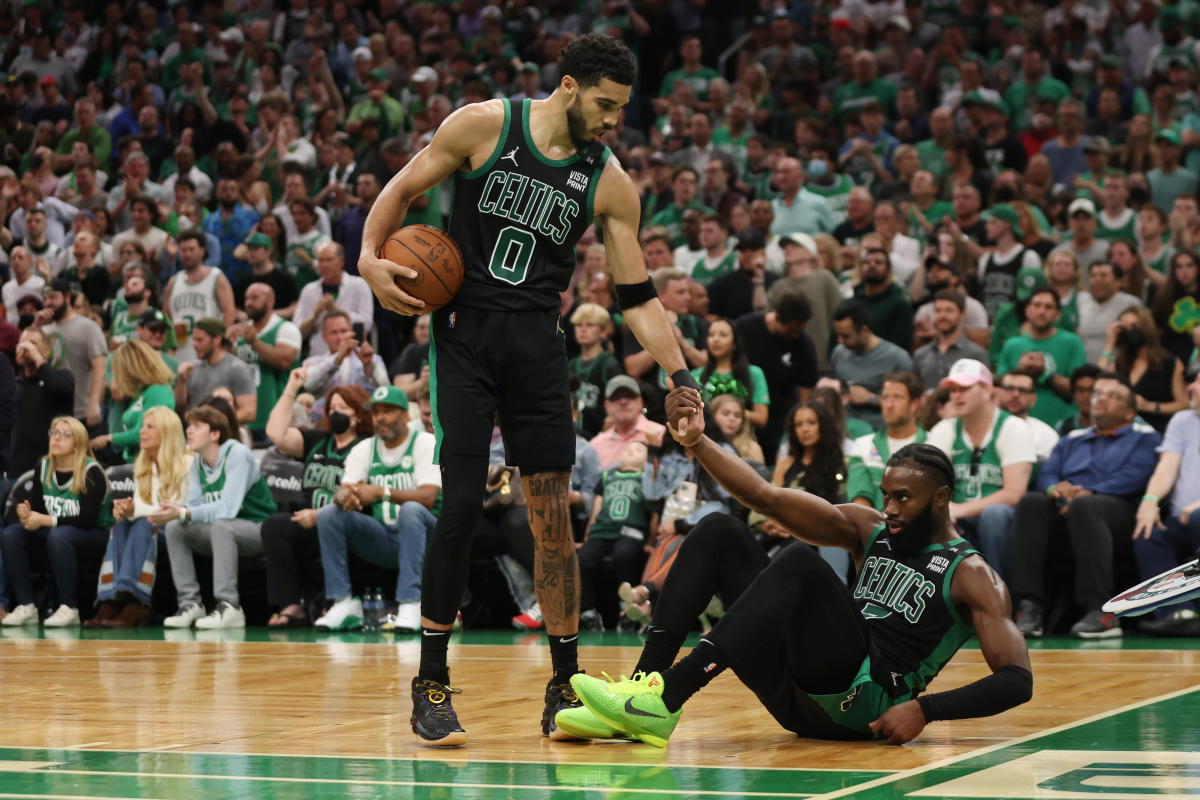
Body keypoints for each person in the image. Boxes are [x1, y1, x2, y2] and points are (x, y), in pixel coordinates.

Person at [356, 34, 699, 745]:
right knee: (458, 505)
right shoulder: (482, 124)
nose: (612, 122)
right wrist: (367, 257)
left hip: (539, 346)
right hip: (466, 337)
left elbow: (635, 295)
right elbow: (403, 188)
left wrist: (678, 371)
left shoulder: (607, 179)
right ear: (569, 86)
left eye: (621, 110)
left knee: (551, 519)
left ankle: (564, 682)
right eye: (605, 105)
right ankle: (431, 682)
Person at [559, 401, 1032, 748]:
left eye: (903, 498)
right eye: (886, 494)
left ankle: (669, 695)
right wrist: (697, 442)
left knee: (801, 561)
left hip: (866, 701)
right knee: (719, 529)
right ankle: (643, 695)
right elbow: (766, 497)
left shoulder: (971, 573)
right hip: (797, 692)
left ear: (943, 497)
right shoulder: (869, 530)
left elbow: (1017, 679)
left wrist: (927, 710)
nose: (888, 508)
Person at [1010, 373, 1161, 639]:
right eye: (1099, 394)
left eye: (1112, 396)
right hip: (1069, 508)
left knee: (1086, 507)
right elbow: (1048, 472)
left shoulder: (1145, 436)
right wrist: (1054, 489)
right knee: (1031, 502)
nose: (1100, 399)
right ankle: (1030, 606)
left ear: (1129, 413)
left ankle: (1101, 611)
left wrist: (1089, 492)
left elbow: (1137, 475)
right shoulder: (1072, 437)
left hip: (1118, 512)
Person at [313, 386, 441, 633]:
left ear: (405, 416)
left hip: (429, 540)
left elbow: (428, 497)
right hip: (386, 538)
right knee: (330, 514)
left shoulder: (425, 443)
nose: (380, 417)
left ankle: (411, 602)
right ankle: (343, 602)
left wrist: (381, 492)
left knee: (411, 510)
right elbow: (344, 490)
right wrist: (344, 497)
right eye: (376, 412)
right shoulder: (365, 449)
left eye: (388, 411)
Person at [262, 374, 372, 628]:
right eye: (331, 408)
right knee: (275, 526)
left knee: (332, 525)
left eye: (342, 408)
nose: (335, 413)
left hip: (344, 522)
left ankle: (335, 602)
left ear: (357, 414)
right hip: (307, 522)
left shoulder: (366, 446)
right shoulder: (317, 441)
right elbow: (275, 433)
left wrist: (320, 515)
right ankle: (290, 605)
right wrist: (291, 386)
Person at [161, 405, 278, 630]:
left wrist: (186, 511)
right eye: (189, 426)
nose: (189, 431)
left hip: (260, 529)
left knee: (221, 524)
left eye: (196, 426)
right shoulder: (197, 462)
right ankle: (190, 603)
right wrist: (175, 511)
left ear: (215, 434)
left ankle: (229, 605)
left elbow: (227, 509)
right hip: (224, 532)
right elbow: (193, 507)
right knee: (176, 527)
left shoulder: (238, 454)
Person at [927, 360, 1035, 582]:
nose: (956, 396)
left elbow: (1014, 494)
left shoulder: (1013, 428)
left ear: (987, 390)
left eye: (965, 389)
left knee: (993, 515)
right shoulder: (945, 429)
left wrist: (958, 509)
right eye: (953, 390)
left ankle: (1002, 596)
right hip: (959, 519)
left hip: (1002, 521)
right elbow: (930, 481)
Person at [1, 417, 112, 628]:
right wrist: (27, 515)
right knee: (12, 534)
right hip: (59, 535)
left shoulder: (92, 471)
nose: (57, 438)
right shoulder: (43, 467)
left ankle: (69, 606)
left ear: (77, 444)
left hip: (96, 536)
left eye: (65, 434)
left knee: (60, 535)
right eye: (54, 433)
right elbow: (39, 511)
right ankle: (27, 606)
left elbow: (87, 519)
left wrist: (44, 519)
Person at [90, 407, 191, 628]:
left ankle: (135, 601)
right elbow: (144, 508)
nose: (141, 432)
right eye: (143, 427)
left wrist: (134, 510)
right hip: (150, 526)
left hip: (178, 528)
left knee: (143, 523)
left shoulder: (186, 463)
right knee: (122, 523)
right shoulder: (144, 465)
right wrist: (127, 509)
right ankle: (110, 599)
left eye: (149, 427)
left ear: (166, 432)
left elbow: (172, 509)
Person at [1131, 364, 1200, 636]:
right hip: (1182, 518)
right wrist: (1149, 501)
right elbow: (1167, 466)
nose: (1190, 388)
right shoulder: (1182, 420)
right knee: (1148, 532)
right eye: (1189, 382)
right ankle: (1178, 612)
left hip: (1196, 516)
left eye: (1197, 382)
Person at [737, 284, 819, 463]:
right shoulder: (744, 328)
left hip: (778, 424)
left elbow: (806, 397)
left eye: (801, 330)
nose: (796, 335)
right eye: (792, 330)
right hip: (742, 415)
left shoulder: (804, 346)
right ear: (777, 317)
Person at [578, 441, 649, 629]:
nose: (632, 449)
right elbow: (597, 506)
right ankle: (587, 611)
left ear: (647, 460)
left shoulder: (646, 478)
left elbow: (652, 510)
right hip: (602, 530)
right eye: (628, 448)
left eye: (639, 449)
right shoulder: (607, 476)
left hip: (631, 530)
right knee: (584, 558)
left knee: (624, 554)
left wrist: (651, 539)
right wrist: (588, 535)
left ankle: (628, 608)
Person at [996, 288, 1088, 426]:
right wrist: (1019, 372)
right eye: (1037, 305)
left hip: (1060, 426)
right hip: (1016, 425)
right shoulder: (1012, 345)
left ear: (1057, 314)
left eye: (1048, 307)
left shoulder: (1072, 343)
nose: (1042, 311)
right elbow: (999, 390)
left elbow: (1080, 391)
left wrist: (1046, 374)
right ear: (1027, 311)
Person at [229, 283, 302, 439]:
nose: (248, 303)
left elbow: (283, 361)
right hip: (246, 419)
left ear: (271, 301)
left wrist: (254, 342)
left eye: (255, 298)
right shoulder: (239, 332)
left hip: (276, 417)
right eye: (246, 298)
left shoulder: (286, 328)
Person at [34, 278, 106, 431]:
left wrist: (94, 403)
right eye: (45, 299)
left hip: (81, 413)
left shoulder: (88, 327)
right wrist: (36, 326)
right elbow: (26, 359)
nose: (48, 303)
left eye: (53, 297)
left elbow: (100, 366)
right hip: (52, 414)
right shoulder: (44, 330)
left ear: (67, 297)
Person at [847, 371, 926, 511]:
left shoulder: (934, 446)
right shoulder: (863, 445)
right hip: (874, 528)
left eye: (897, 397)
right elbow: (860, 500)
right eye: (885, 397)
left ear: (914, 404)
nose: (889, 405)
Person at [830, 299, 913, 430]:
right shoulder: (838, 353)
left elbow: (910, 405)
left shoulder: (897, 358)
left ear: (864, 330)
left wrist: (871, 398)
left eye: (846, 336)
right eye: (838, 335)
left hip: (880, 430)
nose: (840, 341)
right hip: (843, 430)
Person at [89, 339, 175, 464]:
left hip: (154, 466)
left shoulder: (158, 392)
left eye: (119, 370)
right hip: (135, 463)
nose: (118, 376)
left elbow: (146, 433)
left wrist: (109, 439)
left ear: (132, 368)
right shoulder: (141, 393)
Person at [162, 231, 237, 363]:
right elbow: (166, 315)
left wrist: (217, 341)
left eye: (191, 249)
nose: (187, 254)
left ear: (202, 251)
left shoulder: (216, 276)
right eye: (183, 250)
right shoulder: (174, 281)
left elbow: (230, 312)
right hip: (181, 350)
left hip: (208, 351)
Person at [10, 328, 74, 480]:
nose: (26, 348)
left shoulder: (63, 377)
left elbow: (59, 387)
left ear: (46, 352)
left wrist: (38, 359)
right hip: (15, 471)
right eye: (23, 343)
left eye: (32, 343)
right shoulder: (13, 384)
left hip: (51, 470)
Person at [295, 241, 374, 357]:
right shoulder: (309, 290)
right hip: (318, 357)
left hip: (352, 355)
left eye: (329, 260)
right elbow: (298, 331)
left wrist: (335, 309)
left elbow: (366, 324)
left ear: (342, 261)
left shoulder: (359, 285)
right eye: (321, 260)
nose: (324, 265)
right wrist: (315, 316)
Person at [175, 318, 257, 426]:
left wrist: (218, 428)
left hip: (225, 437)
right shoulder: (192, 368)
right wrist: (182, 380)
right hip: (196, 432)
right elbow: (180, 408)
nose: (194, 345)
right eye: (194, 340)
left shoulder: (237, 368)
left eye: (200, 340)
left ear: (217, 339)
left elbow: (249, 411)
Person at [691, 318, 769, 429]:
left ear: (734, 343)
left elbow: (761, 418)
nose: (716, 339)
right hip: (706, 439)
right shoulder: (696, 375)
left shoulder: (754, 373)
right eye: (711, 335)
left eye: (723, 335)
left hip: (742, 442)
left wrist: (729, 413)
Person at [912, 290, 990, 391]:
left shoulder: (977, 354)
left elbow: (985, 391)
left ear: (962, 315)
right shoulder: (920, 354)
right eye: (938, 311)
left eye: (949, 310)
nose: (942, 316)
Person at [568, 303, 624, 440]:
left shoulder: (609, 365)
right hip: (570, 437)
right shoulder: (571, 364)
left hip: (598, 438)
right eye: (579, 325)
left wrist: (603, 439)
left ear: (603, 331)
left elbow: (619, 406)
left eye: (590, 325)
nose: (583, 330)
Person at [590, 375, 666, 470]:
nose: (623, 401)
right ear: (607, 406)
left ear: (640, 402)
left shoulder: (661, 434)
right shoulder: (596, 445)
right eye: (616, 397)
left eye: (630, 396)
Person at [1075, 261, 1143, 363]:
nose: (1097, 279)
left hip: (1117, 369)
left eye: (1104, 275)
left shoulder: (1131, 304)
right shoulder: (1081, 300)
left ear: (1119, 281)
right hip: (1085, 369)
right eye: (1093, 276)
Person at [995, 371, 1061, 467]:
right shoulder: (982, 428)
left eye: (1023, 390)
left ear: (1033, 399)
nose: (1015, 394)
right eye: (1009, 388)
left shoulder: (1046, 435)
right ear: (998, 393)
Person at [853, 248, 913, 351]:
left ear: (888, 270)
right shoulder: (852, 302)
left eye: (878, 262)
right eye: (867, 262)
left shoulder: (899, 303)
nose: (872, 265)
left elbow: (901, 343)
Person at [709, 394, 765, 464]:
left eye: (737, 415)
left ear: (743, 421)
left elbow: (760, 474)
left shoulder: (752, 448)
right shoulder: (702, 442)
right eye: (725, 414)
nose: (732, 419)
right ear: (712, 416)